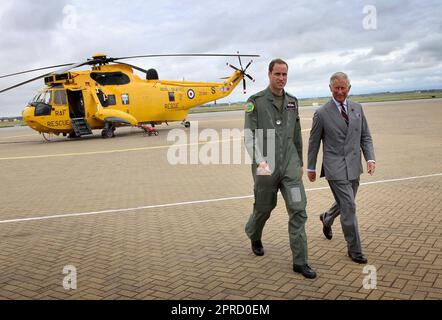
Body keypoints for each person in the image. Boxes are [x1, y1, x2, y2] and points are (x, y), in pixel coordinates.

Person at [243, 58, 316, 279]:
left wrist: (300, 163)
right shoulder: (255, 102)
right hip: (266, 166)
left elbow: (296, 136)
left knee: (298, 209)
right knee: (265, 207)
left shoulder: (293, 102)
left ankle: (300, 262)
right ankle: (253, 233)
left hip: (290, 167)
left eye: (285, 75)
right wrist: (259, 160)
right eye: (278, 74)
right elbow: (250, 136)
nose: (281, 79)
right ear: (269, 74)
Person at [307, 72, 376, 264]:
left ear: (349, 88)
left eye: (343, 88)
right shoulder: (321, 113)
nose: (339, 91)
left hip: (354, 166)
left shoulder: (357, 108)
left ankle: (327, 218)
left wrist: (370, 158)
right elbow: (314, 143)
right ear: (330, 89)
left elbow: (365, 136)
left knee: (346, 203)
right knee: (349, 206)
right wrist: (311, 167)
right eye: (336, 88)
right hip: (334, 167)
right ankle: (354, 250)